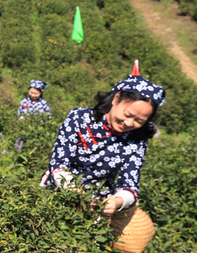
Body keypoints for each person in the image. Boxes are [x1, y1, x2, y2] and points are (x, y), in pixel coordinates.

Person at [41, 74, 165, 219]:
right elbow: (58, 164)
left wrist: (116, 202)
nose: (129, 123)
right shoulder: (79, 118)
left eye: (140, 121)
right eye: (128, 114)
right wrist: (76, 192)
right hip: (57, 192)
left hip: (96, 207)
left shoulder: (137, 139)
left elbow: (130, 184)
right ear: (116, 98)